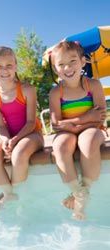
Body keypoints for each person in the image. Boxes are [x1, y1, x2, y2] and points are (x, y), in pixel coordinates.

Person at [48, 41, 107, 220]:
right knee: (60, 147)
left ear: (83, 62)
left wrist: (74, 124)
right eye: (61, 64)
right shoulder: (55, 93)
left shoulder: (93, 85)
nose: (67, 67)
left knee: (87, 142)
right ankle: (77, 191)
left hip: (92, 130)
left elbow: (100, 117)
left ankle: (84, 191)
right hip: (69, 132)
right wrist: (85, 118)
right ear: (56, 68)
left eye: (72, 61)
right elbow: (56, 124)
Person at [0, 46, 44, 210]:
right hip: (10, 136)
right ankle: (8, 193)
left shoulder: (27, 90)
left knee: (18, 154)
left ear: (16, 66)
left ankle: (16, 192)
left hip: (32, 135)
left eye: (9, 65)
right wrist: (5, 140)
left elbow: (31, 122)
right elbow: (0, 126)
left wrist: (15, 140)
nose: (4, 70)